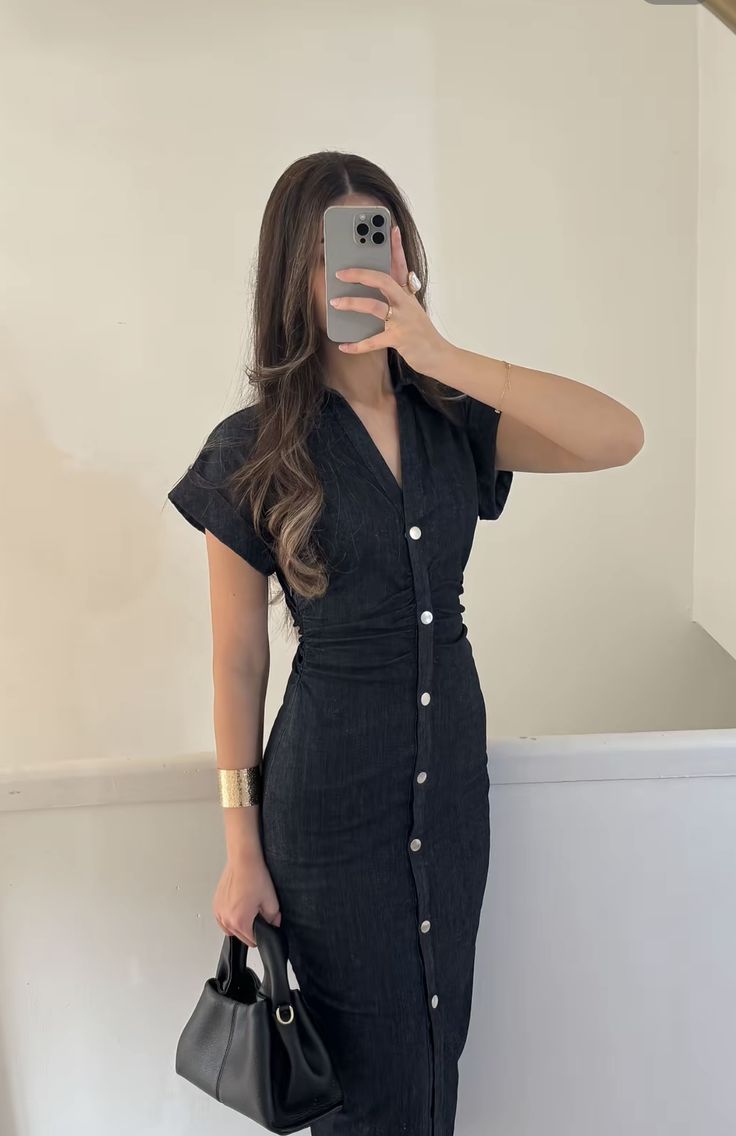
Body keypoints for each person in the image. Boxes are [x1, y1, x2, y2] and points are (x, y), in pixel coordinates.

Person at [167, 150, 644, 1136]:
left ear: (405, 258)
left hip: (450, 791)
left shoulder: (450, 416)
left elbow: (618, 436)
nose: (358, 270)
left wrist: (442, 354)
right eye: (331, 252)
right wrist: (240, 849)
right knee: (365, 1084)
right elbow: (238, 662)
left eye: (375, 242)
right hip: (327, 810)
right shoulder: (250, 449)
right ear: (292, 275)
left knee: (434, 1051)